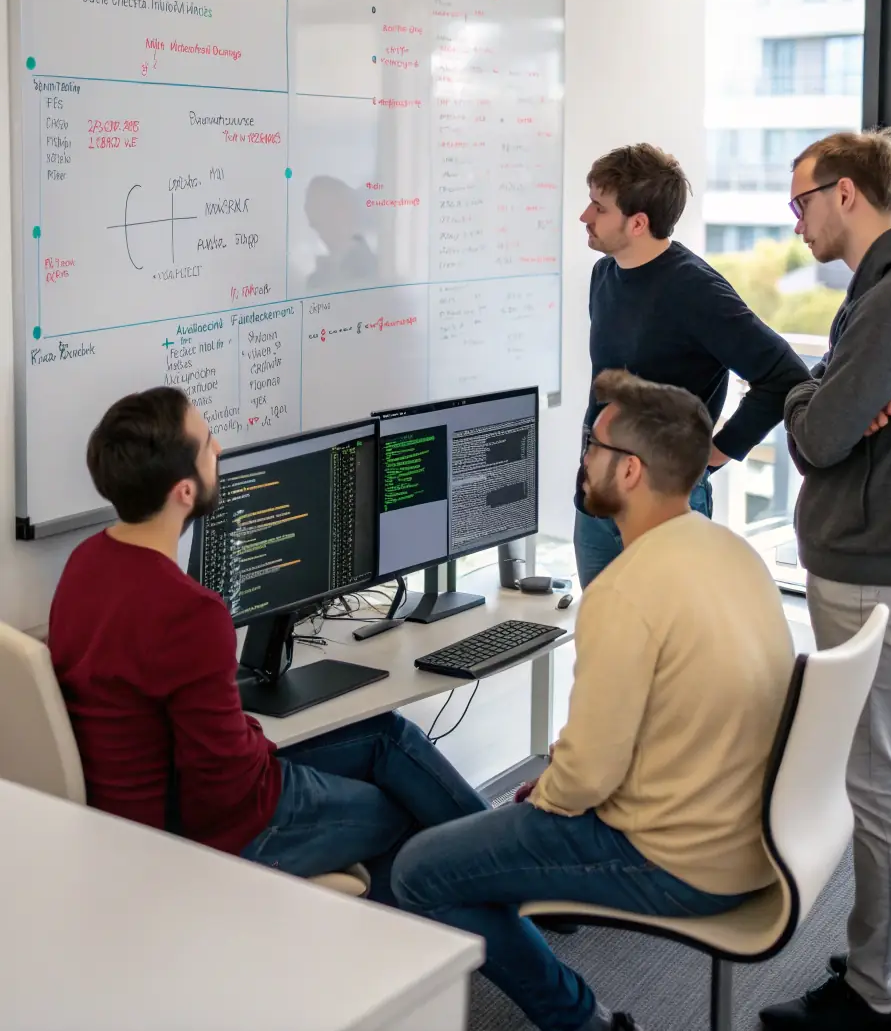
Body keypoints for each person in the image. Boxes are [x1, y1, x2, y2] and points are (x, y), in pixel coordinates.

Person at [392, 370, 796, 1031]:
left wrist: (549, 791)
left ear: (630, 471)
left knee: (418, 872)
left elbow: (587, 776)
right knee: (494, 819)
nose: (581, 459)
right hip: (749, 834)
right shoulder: (732, 552)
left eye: (592, 445)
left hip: (675, 858)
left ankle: (584, 1023)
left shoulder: (624, 590)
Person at [48, 387, 487, 901]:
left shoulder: (84, 564)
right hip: (198, 833)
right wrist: (256, 742)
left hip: (141, 806)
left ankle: (512, 862)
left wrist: (249, 738)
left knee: (388, 736)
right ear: (184, 492)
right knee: (403, 816)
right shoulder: (189, 610)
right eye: (208, 442)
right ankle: (442, 959)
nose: (219, 449)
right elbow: (227, 791)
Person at [760, 129, 891, 1031]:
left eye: (801, 199)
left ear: (846, 194)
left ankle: (873, 993)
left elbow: (816, 435)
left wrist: (807, 396)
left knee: (876, 774)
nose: (797, 219)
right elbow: (840, 414)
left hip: (880, 565)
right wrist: (832, 394)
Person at [575, 143, 809, 587]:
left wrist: (712, 457)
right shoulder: (604, 275)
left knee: (668, 649)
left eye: (598, 207)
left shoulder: (695, 289)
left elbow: (784, 376)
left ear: (638, 222)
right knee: (606, 643)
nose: (585, 216)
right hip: (596, 502)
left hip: (664, 507)